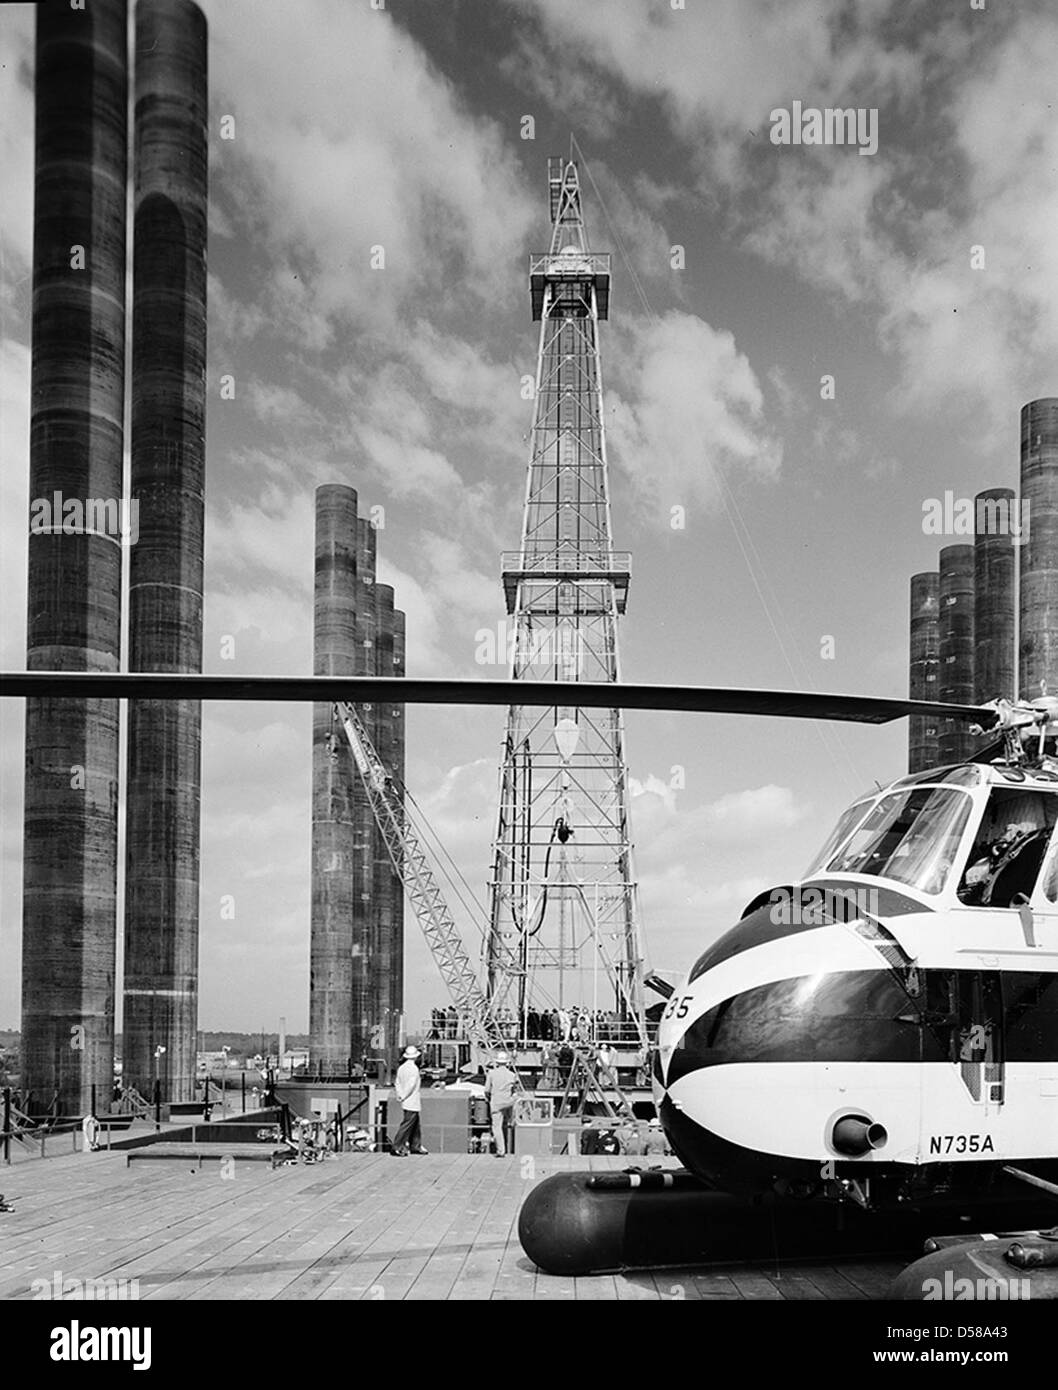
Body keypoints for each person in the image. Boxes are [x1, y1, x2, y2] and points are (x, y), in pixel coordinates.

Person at [391, 1046, 428, 1156]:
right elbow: (411, 1085)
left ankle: (415, 1145)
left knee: (415, 1124)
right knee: (407, 1124)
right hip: (411, 1100)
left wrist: (399, 1094)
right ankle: (397, 1146)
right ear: (416, 1057)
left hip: (406, 1100)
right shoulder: (414, 1069)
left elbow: (397, 1082)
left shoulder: (402, 1068)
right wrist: (403, 1095)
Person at [484, 1051, 519, 1157]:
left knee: (497, 1127)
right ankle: (513, 1143)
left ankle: (501, 1151)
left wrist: (489, 1098)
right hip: (509, 1102)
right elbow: (515, 1088)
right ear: (507, 1063)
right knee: (510, 1123)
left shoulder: (492, 1073)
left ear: (497, 1062)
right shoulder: (512, 1075)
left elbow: (487, 1090)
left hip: (497, 1102)